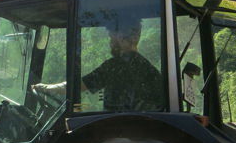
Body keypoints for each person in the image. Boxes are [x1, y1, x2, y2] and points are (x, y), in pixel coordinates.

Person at [35, 15, 164, 112]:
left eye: (112, 36)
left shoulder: (116, 66)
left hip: (122, 131)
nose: (111, 40)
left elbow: (78, 86)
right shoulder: (146, 67)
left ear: (122, 37)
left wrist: (46, 88)